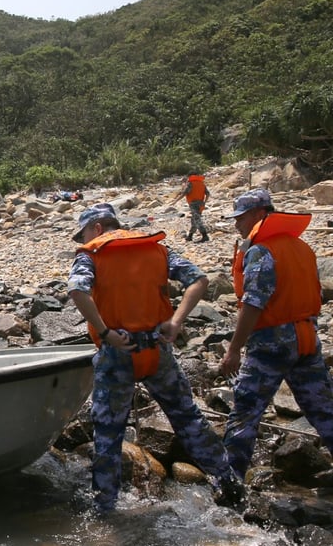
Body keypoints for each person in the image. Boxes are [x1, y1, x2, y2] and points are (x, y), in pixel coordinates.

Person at [67, 203, 243, 512]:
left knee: (108, 433)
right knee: (188, 418)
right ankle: (228, 484)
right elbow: (199, 280)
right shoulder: (157, 249)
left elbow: (77, 291)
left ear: (96, 228)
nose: (83, 239)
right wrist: (176, 322)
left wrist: (105, 332)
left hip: (117, 353)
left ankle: (104, 507)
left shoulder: (91, 254)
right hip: (157, 350)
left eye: (83, 233)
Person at [219, 189, 333, 477]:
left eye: (241, 218)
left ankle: (230, 484)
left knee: (245, 412)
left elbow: (254, 303)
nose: (237, 225)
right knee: (323, 410)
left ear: (259, 215)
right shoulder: (302, 248)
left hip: (272, 344)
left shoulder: (261, 250)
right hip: (307, 339)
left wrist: (234, 350)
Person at [170, 172, 211, 242]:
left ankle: (205, 236)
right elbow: (208, 193)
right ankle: (190, 236)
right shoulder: (202, 183)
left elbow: (184, 193)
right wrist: (205, 202)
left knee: (197, 220)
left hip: (193, 204)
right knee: (194, 219)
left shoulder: (190, 183)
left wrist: (175, 201)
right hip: (201, 204)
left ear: (190, 176)